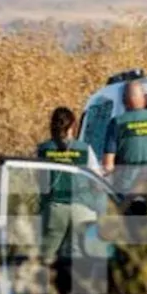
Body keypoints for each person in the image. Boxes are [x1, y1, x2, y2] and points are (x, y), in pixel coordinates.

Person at [36, 107, 99, 261]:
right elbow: (97, 180)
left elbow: (39, 180)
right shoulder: (85, 149)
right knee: (79, 258)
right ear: (73, 126)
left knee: (47, 257)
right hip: (82, 208)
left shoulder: (43, 150)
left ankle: (46, 283)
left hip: (54, 208)